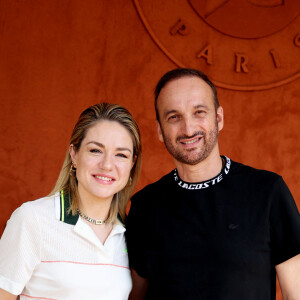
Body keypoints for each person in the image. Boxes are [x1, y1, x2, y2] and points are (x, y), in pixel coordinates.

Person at [126, 68, 300, 300]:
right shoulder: (145, 206)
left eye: (199, 112)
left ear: (218, 118)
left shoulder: (267, 191)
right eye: (174, 117)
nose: (188, 129)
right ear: (160, 130)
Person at [0, 102, 142, 300]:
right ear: (74, 154)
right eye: (95, 150)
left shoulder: (129, 232)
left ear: (132, 165)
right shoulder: (32, 220)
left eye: (121, 155)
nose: (107, 164)